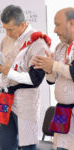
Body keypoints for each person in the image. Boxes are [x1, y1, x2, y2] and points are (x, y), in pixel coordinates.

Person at [0, 5, 51, 150]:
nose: (7, 33)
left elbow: (35, 79)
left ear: (22, 24)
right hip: (5, 95)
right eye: (4, 28)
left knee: (27, 144)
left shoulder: (38, 42)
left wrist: (8, 71)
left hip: (25, 99)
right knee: (5, 143)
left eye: (10, 29)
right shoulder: (6, 39)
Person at [33, 7, 74, 150]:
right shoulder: (59, 48)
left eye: (57, 24)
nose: (55, 30)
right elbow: (52, 80)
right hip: (62, 110)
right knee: (60, 147)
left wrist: (54, 65)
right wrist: (48, 69)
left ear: (72, 23)